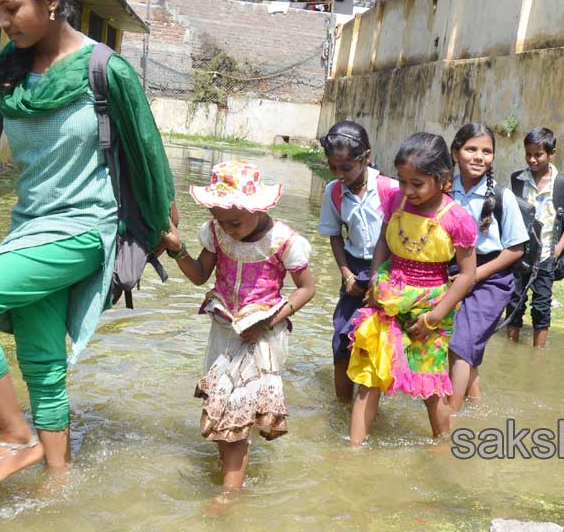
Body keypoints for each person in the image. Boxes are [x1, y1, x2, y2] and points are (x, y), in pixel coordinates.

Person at [0, 0, 174, 485]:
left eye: (11, 9)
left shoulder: (106, 71)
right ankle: (58, 488)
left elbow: (151, 160)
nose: (2, 22)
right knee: (43, 366)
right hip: (31, 227)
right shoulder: (12, 70)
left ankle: (16, 437)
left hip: (84, 229)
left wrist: (159, 231)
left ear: (52, 0)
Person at [161, 161, 316, 491]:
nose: (227, 229)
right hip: (223, 331)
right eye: (219, 220)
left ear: (257, 209)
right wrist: (177, 251)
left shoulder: (284, 240)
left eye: (234, 222)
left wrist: (267, 322)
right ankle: (229, 478)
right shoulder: (217, 233)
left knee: (234, 415)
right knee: (220, 408)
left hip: (261, 337)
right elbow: (200, 276)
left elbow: (307, 289)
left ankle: (227, 497)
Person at [347, 133, 477, 447]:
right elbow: (382, 242)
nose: (407, 190)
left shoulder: (457, 220)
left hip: (430, 309)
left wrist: (434, 318)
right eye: (402, 181)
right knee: (370, 378)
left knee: (430, 387)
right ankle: (352, 452)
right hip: (387, 301)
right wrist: (377, 281)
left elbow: (467, 275)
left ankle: (443, 449)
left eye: (416, 184)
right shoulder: (394, 201)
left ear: (442, 179)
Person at [447, 123, 529, 409]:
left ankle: (451, 420)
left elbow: (516, 248)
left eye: (487, 151)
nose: (479, 156)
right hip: (453, 273)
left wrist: (476, 275)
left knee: (459, 345)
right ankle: (477, 410)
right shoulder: (445, 192)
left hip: (492, 277)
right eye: (471, 149)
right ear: (456, 152)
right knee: (467, 346)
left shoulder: (502, 197)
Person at [317, 121, 397, 402]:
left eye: (346, 168)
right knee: (341, 339)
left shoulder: (391, 190)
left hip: (389, 272)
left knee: (380, 344)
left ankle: (370, 409)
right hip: (353, 270)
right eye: (332, 167)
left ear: (366, 157)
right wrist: (346, 274)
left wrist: (382, 281)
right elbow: (334, 236)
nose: (339, 175)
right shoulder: (334, 192)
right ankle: (341, 407)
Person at [504, 127, 564, 348]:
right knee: (514, 302)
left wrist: (556, 251)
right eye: (528, 154)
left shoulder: (563, 184)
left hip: (547, 254)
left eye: (538, 154)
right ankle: (510, 347)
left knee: (541, 306)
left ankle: (538, 354)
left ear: (551, 153)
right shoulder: (517, 180)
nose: (532, 159)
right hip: (519, 254)